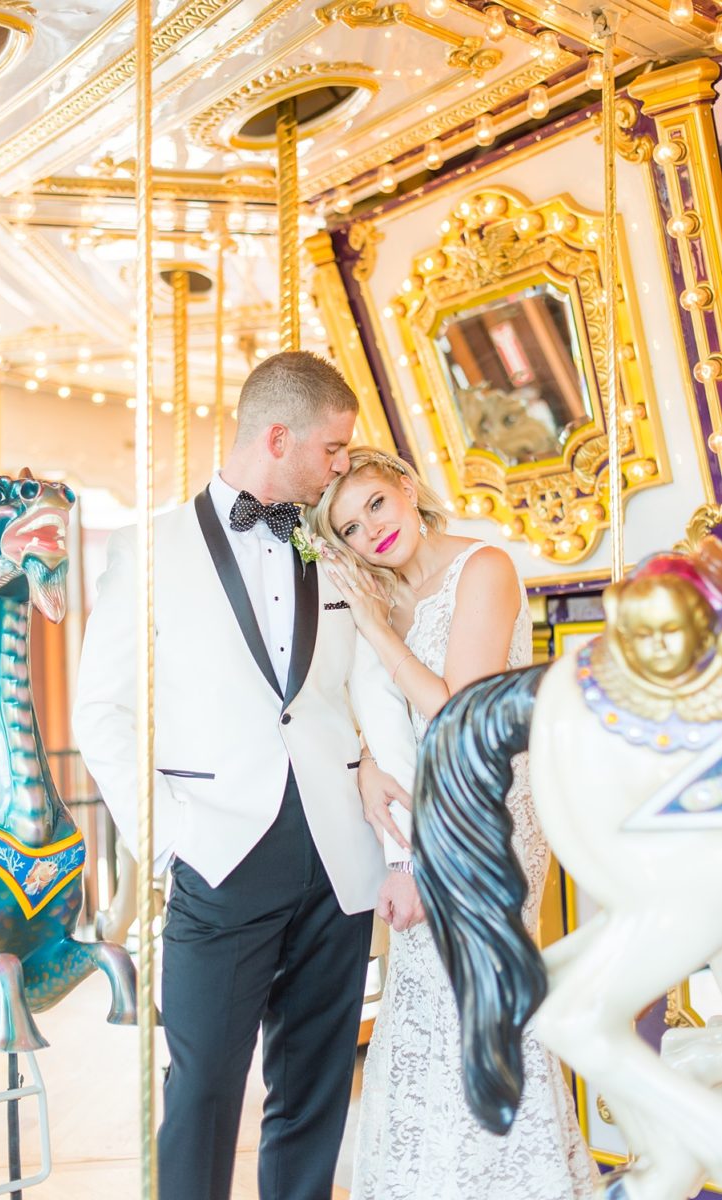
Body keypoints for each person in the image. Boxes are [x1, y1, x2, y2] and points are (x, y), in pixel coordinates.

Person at [72, 353, 421, 1200]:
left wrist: (404, 851)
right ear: (279, 436)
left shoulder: (333, 543)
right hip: (216, 854)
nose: (343, 465)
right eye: (333, 447)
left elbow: (374, 692)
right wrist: (172, 838)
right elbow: (99, 712)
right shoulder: (146, 547)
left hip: (338, 856)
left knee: (313, 1094)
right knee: (199, 1094)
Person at [307, 446, 599, 1200]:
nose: (370, 530)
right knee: (422, 997)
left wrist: (377, 631)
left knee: (479, 991)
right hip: (416, 820)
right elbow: (378, 711)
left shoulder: (483, 568)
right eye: (348, 527)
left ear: (405, 487)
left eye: (375, 504)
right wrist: (368, 759)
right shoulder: (386, 593)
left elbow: (458, 711)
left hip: (487, 815)